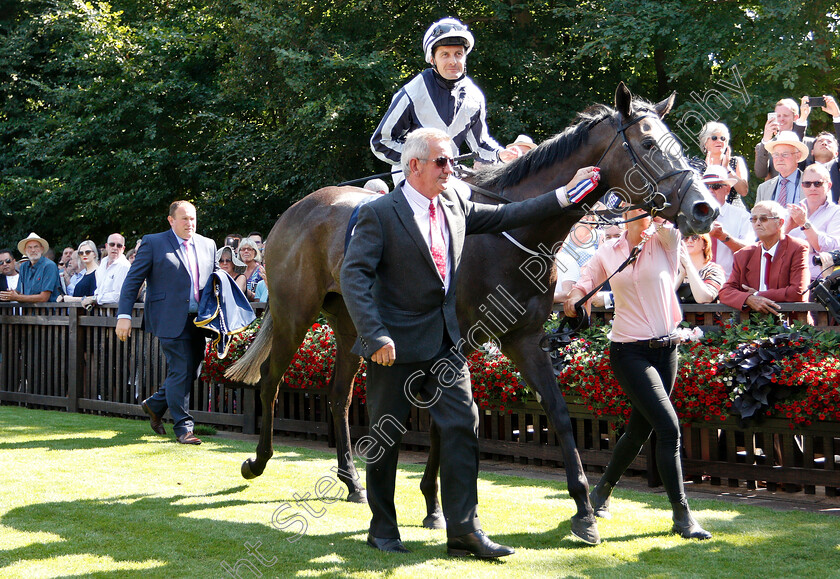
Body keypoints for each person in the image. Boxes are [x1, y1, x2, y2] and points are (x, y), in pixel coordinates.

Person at [342, 127, 600, 555]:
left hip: (446, 343)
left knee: (464, 425)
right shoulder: (379, 214)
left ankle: (463, 530)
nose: (452, 169)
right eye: (442, 161)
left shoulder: (457, 201)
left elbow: (508, 216)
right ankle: (383, 528)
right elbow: (354, 276)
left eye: (453, 161)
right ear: (414, 166)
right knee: (385, 437)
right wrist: (374, 334)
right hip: (394, 346)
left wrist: (564, 195)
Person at [564, 207, 712, 541]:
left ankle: (600, 493)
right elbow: (584, 281)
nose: (644, 211)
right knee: (667, 427)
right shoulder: (608, 250)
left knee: (638, 429)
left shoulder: (667, 240)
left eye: (648, 206)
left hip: (667, 350)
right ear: (625, 213)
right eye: (636, 205)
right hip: (628, 351)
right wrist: (575, 296)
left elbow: (671, 218)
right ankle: (682, 516)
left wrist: (659, 212)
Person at [116, 201, 218, 445]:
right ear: (171, 220)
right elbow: (133, 281)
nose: (189, 223)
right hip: (168, 317)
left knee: (191, 370)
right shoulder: (153, 242)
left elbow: (216, 282)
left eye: (192, 219)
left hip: (199, 320)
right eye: (184, 219)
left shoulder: (208, 244)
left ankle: (154, 404)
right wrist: (124, 315)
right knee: (181, 368)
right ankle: (184, 428)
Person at [371, 18, 521, 183]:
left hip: (450, 178)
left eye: (458, 54)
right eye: (445, 55)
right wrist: (421, 160)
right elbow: (381, 142)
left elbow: (480, 144)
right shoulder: (411, 93)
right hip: (414, 178)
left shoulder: (474, 96)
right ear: (432, 59)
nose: (453, 61)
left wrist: (500, 154)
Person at [719, 201, 810, 314]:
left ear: (780, 223)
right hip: (752, 326)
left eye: (763, 219)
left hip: (790, 323)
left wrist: (758, 294)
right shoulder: (743, 255)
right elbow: (725, 292)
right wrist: (748, 298)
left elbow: (799, 292)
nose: (757, 223)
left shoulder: (797, 248)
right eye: (754, 219)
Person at [784, 163, 840, 280]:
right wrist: (787, 229)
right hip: (786, 277)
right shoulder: (791, 211)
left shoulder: (836, 212)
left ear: (829, 186)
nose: (812, 188)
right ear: (802, 186)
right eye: (807, 184)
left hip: (817, 283)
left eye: (818, 183)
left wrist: (804, 224)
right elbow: (774, 247)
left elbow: (832, 248)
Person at [702, 166, 754, 278]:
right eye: (706, 186)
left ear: (728, 189)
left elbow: (750, 249)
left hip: (729, 283)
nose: (710, 190)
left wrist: (724, 237)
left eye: (715, 186)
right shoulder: (693, 214)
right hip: (697, 283)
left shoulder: (742, 216)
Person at [755, 99, 813, 180]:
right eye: (778, 116)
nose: (781, 119)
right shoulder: (763, 146)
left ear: (795, 117)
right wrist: (765, 139)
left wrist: (803, 118)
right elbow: (760, 173)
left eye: (785, 115)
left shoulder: (811, 144)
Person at [0, 233, 60, 303]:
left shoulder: (49, 266)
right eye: (29, 247)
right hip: (28, 312)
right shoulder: (23, 266)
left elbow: (44, 298)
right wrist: (9, 294)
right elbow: (19, 292)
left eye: (36, 247)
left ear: (42, 249)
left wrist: (16, 297)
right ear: (25, 250)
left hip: (49, 312)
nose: (33, 250)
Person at [755, 131, 808, 210]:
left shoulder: (812, 184)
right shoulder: (763, 189)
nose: (779, 159)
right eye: (776, 154)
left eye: (785, 154)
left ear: (798, 156)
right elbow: (757, 219)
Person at [676, 233, 725, 304]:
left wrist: (688, 266)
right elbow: (663, 298)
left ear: (705, 244)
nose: (689, 241)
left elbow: (704, 298)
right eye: (685, 237)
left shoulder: (714, 270)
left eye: (695, 237)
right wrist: (681, 275)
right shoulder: (675, 270)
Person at [84, 233, 131, 307]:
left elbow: (117, 296)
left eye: (119, 245)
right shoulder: (103, 263)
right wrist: (94, 298)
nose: (115, 248)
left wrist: (95, 299)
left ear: (123, 249)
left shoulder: (124, 266)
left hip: (116, 313)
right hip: (101, 313)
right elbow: (99, 289)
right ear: (106, 246)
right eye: (112, 244)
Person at [811, 131, 840, 203]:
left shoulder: (837, 167)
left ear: (837, 153)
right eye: (820, 141)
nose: (824, 143)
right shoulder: (803, 167)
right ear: (812, 152)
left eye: (829, 142)